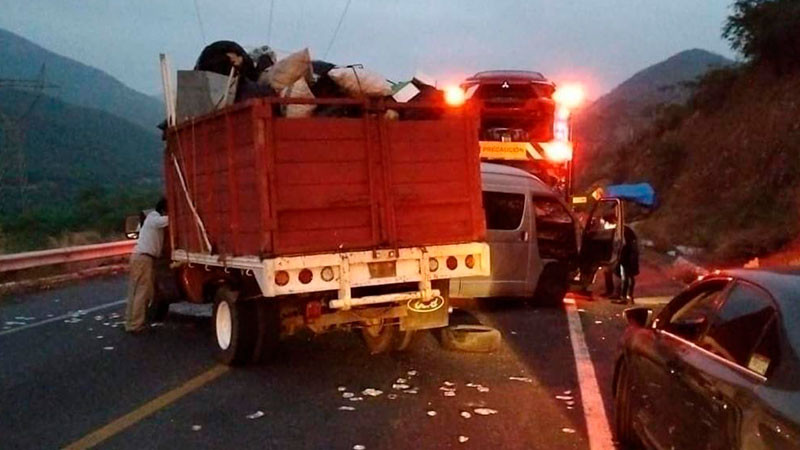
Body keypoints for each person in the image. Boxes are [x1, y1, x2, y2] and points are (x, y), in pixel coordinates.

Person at [125, 198, 169, 333]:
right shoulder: (153, 218)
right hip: (144, 258)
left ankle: (130, 322)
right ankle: (136, 325)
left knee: (135, 291)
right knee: (143, 291)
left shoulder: (150, 220)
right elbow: (169, 220)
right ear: (163, 210)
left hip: (139, 257)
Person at [614, 225, 640, 304]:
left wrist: (620, 257)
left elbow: (622, 244)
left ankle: (624, 297)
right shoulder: (627, 230)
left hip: (626, 257)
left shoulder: (622, 230)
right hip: (631, 256)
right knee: (630, 277)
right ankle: (630, 296)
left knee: (625, 278)